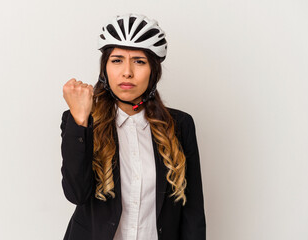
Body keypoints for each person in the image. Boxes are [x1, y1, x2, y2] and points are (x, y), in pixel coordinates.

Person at [60, 13, 206, 240]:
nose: (127, 71)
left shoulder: (180, 125)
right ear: (105, 68)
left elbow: (192, 211)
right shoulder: (82, 121)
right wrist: (80, 121)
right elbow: (76, 193)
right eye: (117, 60)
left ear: (153, 71)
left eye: (139, 61)